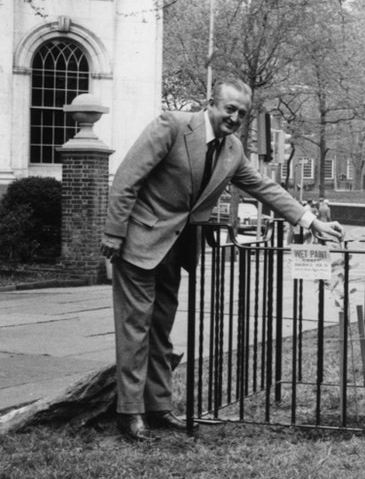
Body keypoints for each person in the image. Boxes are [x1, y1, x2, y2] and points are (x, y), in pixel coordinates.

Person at [100, 78, 343, 442]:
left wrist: (311, 221)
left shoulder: (232, 150)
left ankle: (159, 408)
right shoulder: (172, 125)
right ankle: (130, 414)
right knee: (135, 330)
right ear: (211, 103)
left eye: (242, 113)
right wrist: (113, 232)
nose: (235, 117)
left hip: (176, 250)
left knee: (161, 331)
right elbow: (127, 178)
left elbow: (265, 187)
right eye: (229, 108)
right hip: (138, 242)